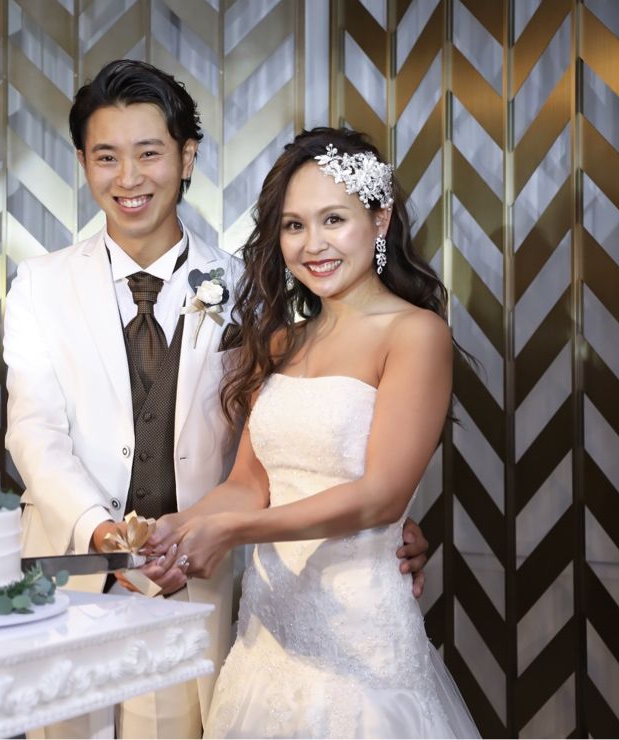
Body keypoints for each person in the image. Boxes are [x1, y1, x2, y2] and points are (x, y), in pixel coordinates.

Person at [4, 62, 431, 738]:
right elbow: (34, 434)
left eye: (149, 153)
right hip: (70, 571)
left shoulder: (253, 293)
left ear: (186, 157)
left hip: (198, 585)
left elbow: (322, 436)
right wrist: (103, 530)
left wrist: (389, 525)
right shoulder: (38, 285)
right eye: (106, 157)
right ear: (83, 163)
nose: (128, 177)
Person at [148, 127, 479, 737]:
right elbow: (249, 485)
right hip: (267, 634)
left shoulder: (415, 334)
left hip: (362, 642)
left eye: (334, 219)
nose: (313, 244)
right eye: (294, 225)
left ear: (379, 221)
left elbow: (381, 497)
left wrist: (234, 531)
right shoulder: (281, 341)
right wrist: (180, 526)